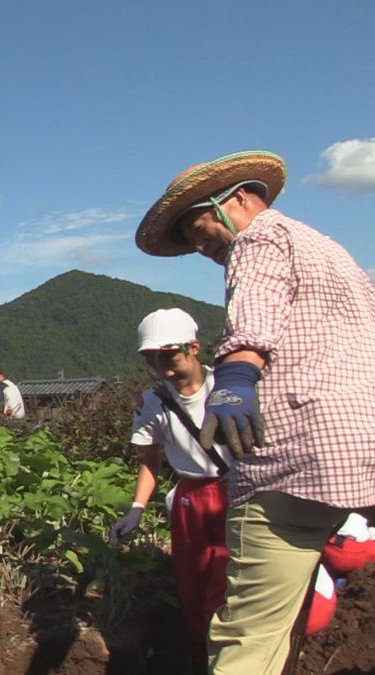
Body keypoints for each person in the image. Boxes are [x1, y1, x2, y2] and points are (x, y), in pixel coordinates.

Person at [135, 150, 375, 674]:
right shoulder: (335, 253)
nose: (201, 248)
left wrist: (239, 373)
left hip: (295, 458)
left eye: (200, 232)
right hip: (361, 445)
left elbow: (253, 316)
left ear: (238, 200)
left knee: (251, 631)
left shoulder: (259, 239)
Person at [110, 308, 231, 673]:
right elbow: (150, 461)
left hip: (237, 495)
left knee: (226, 591)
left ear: (193, 347)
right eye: (153, 360)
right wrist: (136, 508)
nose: (164, 369)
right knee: (192, 593)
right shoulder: (155, 403)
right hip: (191, 501)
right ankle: (200, 663)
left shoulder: (228, 387)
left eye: (170, 357)